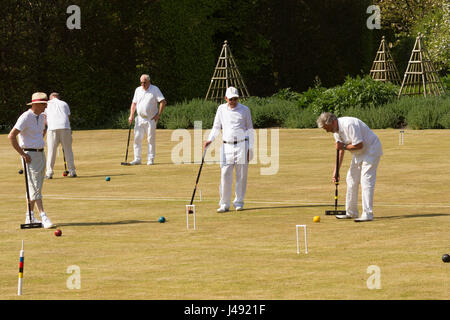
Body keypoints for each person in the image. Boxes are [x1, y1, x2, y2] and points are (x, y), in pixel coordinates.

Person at [317, 112, 383, 222]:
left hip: (371, 150)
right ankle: (351, 212)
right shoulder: (335, 131)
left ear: (332, 122)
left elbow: (359, 145)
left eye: (326, 127)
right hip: (359, 153)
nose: (326, 130)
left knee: (366, 180)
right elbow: (340, 151)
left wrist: (343, 146)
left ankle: (367, 214)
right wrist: (336, 171)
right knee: (351, 179)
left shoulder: (349, 124)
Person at [8, 92, 55, 228]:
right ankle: (43, 215)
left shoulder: (41, 117)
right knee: (34, 186)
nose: (45, 107)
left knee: (35, 186)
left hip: (41, 154)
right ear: (35, 104)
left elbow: (42, 131)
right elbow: (11, 136)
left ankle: (29, 216)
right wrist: (22, 154)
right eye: (43, 104)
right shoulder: (25, 117)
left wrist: (40, 139)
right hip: (29, 155)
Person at [204, 87, 254, 212]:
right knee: (225, 174)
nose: (233, 101)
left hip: (242, 145)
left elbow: (250, 130)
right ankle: (224, 204)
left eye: (235, 98)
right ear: (226, 98)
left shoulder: (245, 110)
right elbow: (216, 127)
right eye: (231, 99)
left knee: (241, 175)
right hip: (226, 146)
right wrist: (210, 139)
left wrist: (250, 149)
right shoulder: (221, 109)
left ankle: (239, 202)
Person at [128, 74, 166, 165]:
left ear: (149, 82)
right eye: (141, 82)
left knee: (150, 139)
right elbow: (134, 104)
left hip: (150, 119)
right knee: (137, 138)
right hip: (139, 119)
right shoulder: (138, 90)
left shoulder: (155, 89)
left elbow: (163, 102)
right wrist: (131, 115)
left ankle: (150, 159)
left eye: (144, 82)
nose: (142, 84)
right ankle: (137, 159)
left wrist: (158, 115)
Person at [44, 92, 77, 178]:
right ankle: (72, 171)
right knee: (68, 150)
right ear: (57, 97)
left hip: (52, 129)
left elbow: (44, 119)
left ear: (51, 97)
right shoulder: (64, 103)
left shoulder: (46, 104)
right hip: (65, 128)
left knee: (51, 151)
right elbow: (68, 117)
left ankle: (49, 173)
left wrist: (49, 125)